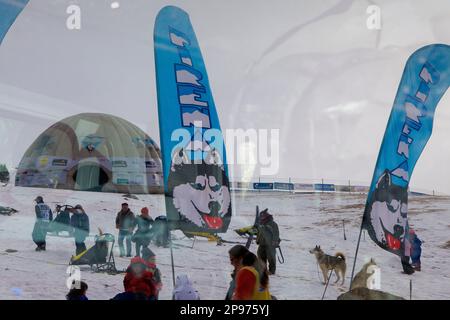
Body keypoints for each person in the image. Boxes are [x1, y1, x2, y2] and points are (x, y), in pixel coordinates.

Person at [256, 209, 280, 275]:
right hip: (262, 244)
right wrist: (257, 240)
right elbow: (259, 233)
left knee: (271, 258)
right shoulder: (260, 223)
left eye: (262, 216)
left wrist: (275, 241)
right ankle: (263, 270)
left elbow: (276, 233)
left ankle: (272, 271)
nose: (261, 218)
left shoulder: (273, 224)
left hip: (270, 244)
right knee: (260, 256)